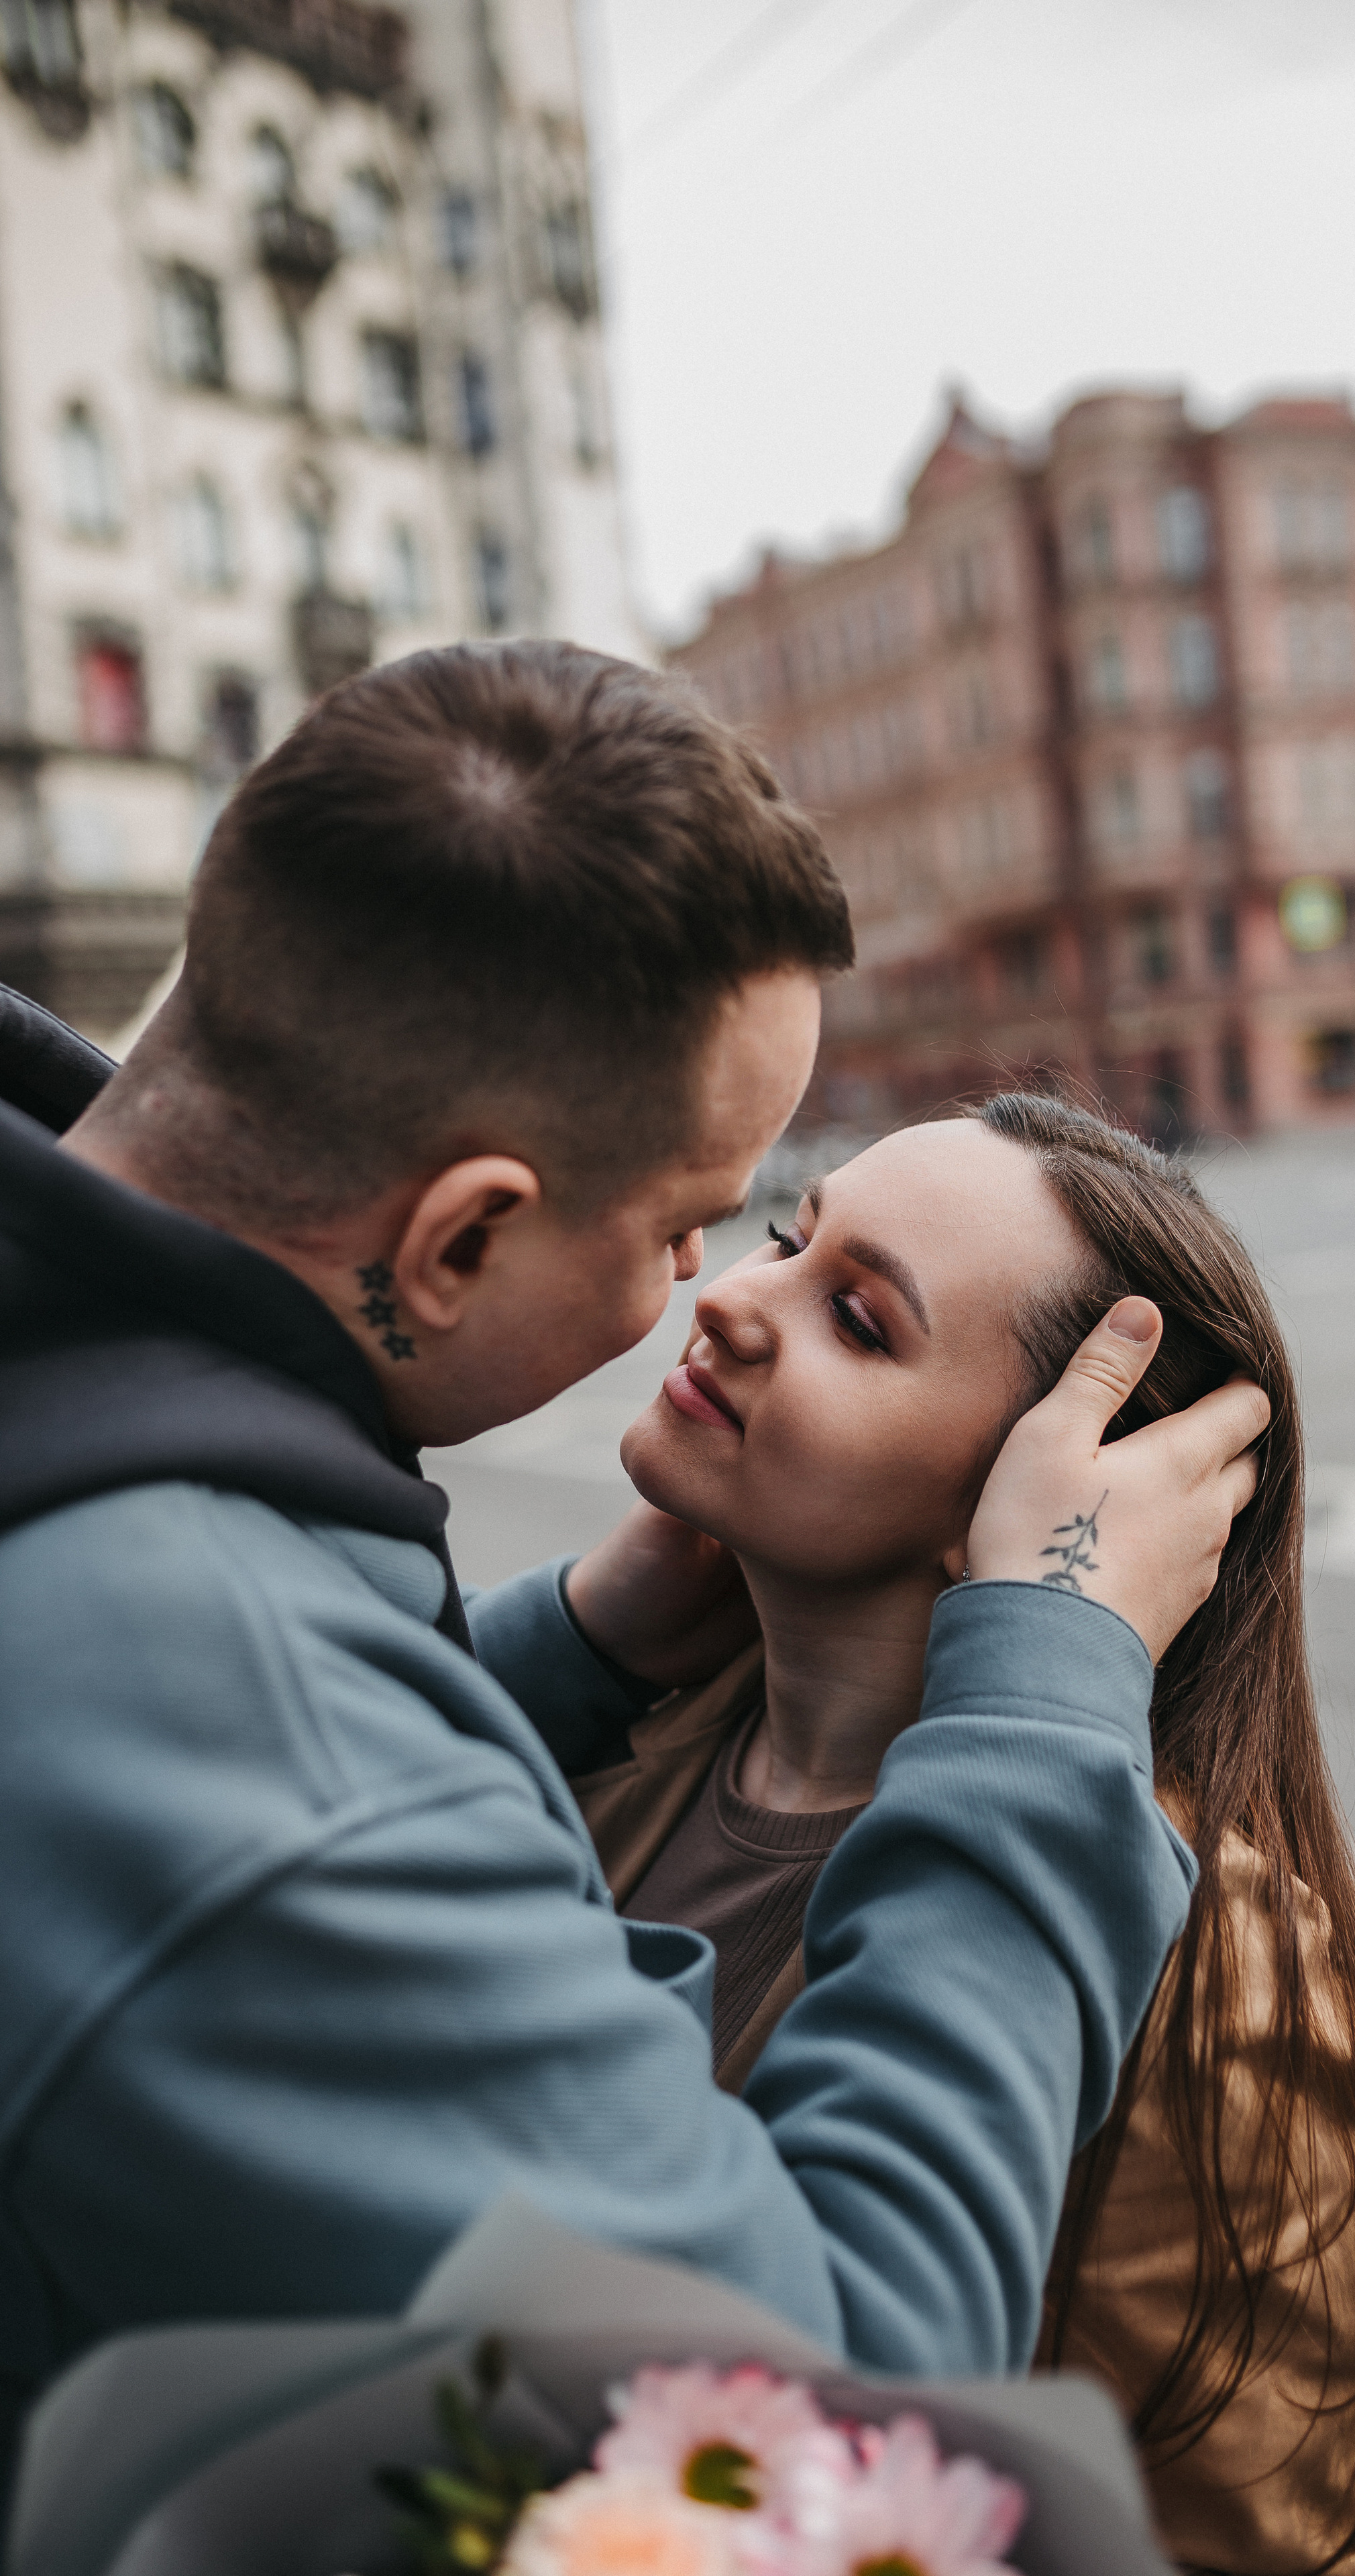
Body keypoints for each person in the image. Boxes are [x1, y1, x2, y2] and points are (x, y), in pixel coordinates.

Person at [0, 643, 1270, 2498]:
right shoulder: (279, 1771)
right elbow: (795, 2464)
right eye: (697, 1220)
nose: (703, 1291)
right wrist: (1045, 1699)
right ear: (459, 1240)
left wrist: (568, 1650)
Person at [569, 1095, 1355, 2575]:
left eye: (856, 1319)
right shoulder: (615, 1739)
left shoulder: (1201, 1954)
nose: (725, 1295)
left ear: (1033, 1498)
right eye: (788, 1241)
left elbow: (1258, 2541)